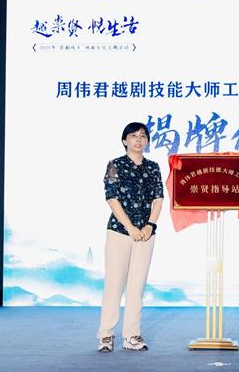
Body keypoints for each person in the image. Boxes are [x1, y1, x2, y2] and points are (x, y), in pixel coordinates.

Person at [97, 122, 163, 352]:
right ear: (125, 140)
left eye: (143, 136)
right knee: (114, 285)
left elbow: (158, 199)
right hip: (119, 232)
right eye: (133, 135)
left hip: (145, 235)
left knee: (136, 287)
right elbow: (112, 198)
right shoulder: (115, 165)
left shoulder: (153, 167)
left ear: (147, 141)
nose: (138, 139)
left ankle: (132, 336)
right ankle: (106, 335)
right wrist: (130, 228)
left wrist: (150, 225)